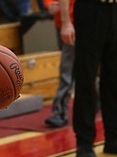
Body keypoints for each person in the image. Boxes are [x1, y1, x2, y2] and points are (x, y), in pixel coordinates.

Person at [59, 0, 117, 157]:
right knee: (86, 78)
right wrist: (65, 21)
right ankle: (84, 142)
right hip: (90, 9)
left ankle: (113, 138)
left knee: (114, 80)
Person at [44, 0, 75, 128]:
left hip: (75, 22)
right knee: (80, 68)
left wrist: (66, 22)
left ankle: (60, 113)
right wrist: (49, 4)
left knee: (67, 69)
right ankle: (97, 101)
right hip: (62, 23)